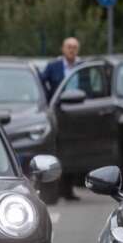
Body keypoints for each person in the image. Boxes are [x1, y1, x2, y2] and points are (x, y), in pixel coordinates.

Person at [40, 37, 82, 200]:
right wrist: (50, 100)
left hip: (79, 112)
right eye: (68, 47)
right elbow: (42, 83)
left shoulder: (81, 67)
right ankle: (56, 190)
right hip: (59, 113)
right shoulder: (53, 67)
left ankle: (69, 189)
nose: (71, 50)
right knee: (57, 149)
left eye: (74, 47)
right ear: (63, 49)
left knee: (74, 150)